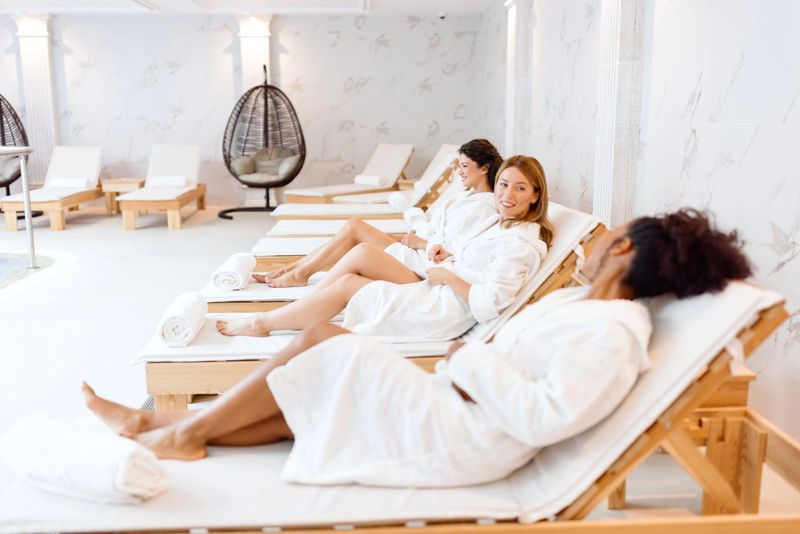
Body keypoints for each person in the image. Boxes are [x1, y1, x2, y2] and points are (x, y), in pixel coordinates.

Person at [84, 209, 752, 488]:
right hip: (459, 402)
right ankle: (163, 424)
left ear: (625, 249)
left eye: (608, 238)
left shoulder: (615, 335)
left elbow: (546, 416)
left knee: (325, 341)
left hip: (472, 435)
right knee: (320, 380)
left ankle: (181, 429)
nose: (594, 244)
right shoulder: (583, 307)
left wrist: (468, 359)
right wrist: (472, 363)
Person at [216, 155, 552, 341]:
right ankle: (284, 313)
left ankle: (265, 323)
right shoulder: (502, 223)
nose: (507, 195)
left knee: (350, 279)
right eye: (505, 185)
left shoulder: (520, 244)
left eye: (520, 188)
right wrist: (447, 256)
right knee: (357, 260)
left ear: (535, 195)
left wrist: (447, 276)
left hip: (444, 308)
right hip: (438, 282)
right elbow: (471, 256)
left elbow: (487, 304)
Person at [263, 139, 503, 288]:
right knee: (354, 226)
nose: (459, 173)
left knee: (356, 228)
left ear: (484, 168)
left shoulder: (485, 207)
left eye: (464, 166)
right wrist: (411, 238)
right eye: (458, 166)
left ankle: (300, 273)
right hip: (417, 251)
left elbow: (457, 252)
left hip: (421, 265)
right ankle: (295, 268)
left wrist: (420, 242)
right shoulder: (467, 197)